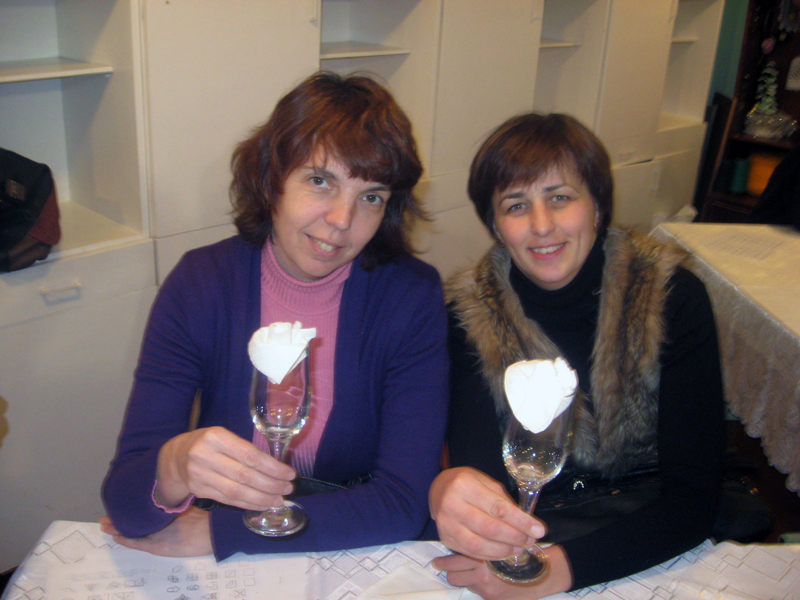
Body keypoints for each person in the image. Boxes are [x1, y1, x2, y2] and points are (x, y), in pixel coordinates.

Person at [101, 72, 449, 559]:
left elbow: (403, 503)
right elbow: (126, 506)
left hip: (351, 545)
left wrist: (226, 533)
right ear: (272, 178)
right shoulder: (201, 283)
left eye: (371, 197)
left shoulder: (410, 296)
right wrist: (174, 467)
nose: (342, 220)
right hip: (268, 531)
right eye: (320, 181)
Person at [429, 113, 724, 598]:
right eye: (516, 205)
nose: (541, 226)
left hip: (655, 537)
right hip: (534, 533)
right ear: (496, 225)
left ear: (598, 206)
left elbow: (694, 498)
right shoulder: (468, 320)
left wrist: (558, 572)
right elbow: (487, 493)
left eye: (560, 198)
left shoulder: (671, 296)